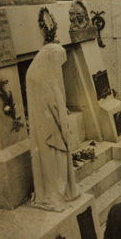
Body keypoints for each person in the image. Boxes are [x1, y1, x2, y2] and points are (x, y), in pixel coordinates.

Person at [26, 43, 80, 212]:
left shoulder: (46, 76)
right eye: (58, 63)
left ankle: (63, 190)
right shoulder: (39, 79)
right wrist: (61, 121)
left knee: (61, 162)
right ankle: (54, 193)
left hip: (56, 126)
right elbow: (49, 107)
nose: (59, 68)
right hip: (49, 131)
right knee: (54, 163)